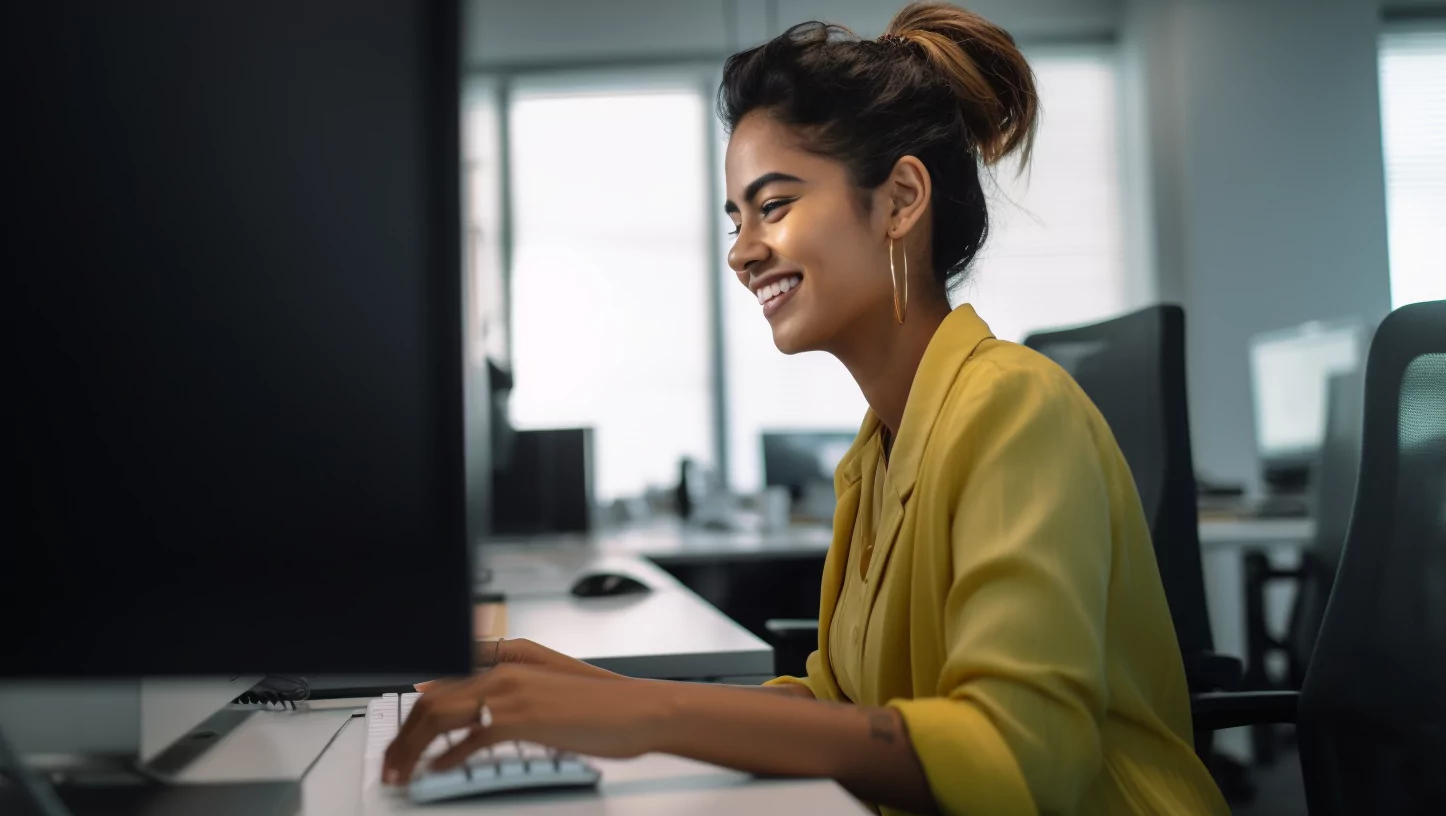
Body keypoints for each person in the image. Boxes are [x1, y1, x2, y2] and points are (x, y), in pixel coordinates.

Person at [383, 4, 1230, 814]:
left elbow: (1020, 756)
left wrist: (650, 723)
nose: (743, 251)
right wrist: (581, 686)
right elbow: (840, 702)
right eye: (736, 216)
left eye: (775, 205)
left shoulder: (1014, 408)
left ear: (901, 200)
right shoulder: (877, 451)